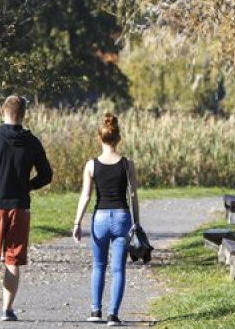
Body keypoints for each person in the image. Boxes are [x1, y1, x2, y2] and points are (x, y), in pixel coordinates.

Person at [0, 95, 53, 322]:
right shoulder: (32, 142)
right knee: (13, 259)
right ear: (23, 115)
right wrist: (29, 186)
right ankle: (7, 310)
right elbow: (46, 175)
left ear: (1, 112)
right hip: (20, 206)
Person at [73, 113, 140, 327]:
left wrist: (77, 223)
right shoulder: (128, 165)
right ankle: (113, 315)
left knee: (99, 266)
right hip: (122, 217)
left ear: (99, 138)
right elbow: (133, 196)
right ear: (118, 138)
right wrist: (136, 223)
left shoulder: (91, 165)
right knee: (118, 269)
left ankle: (95, 310)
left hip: (100, 218)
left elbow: (85, 196)